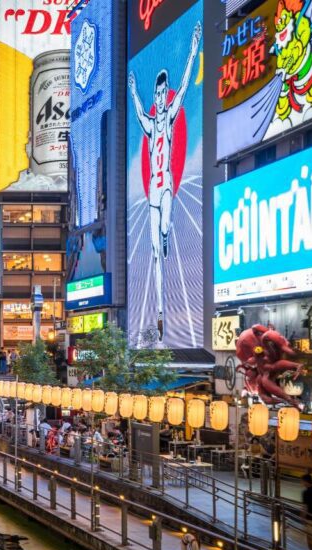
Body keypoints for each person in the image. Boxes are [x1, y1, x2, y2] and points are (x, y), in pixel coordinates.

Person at [128, 20, 201, 341]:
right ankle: (159, 310)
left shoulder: (169, 117)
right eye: (156, 92)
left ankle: (167, 234)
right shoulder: (148, 121)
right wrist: (132, 89)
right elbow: (137, 109)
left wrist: (194, 48)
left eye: (161, 91)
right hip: (152, 193)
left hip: (167, 184)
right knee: (156, 251)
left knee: (166, 229)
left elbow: (185, 87)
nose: (159, 96)